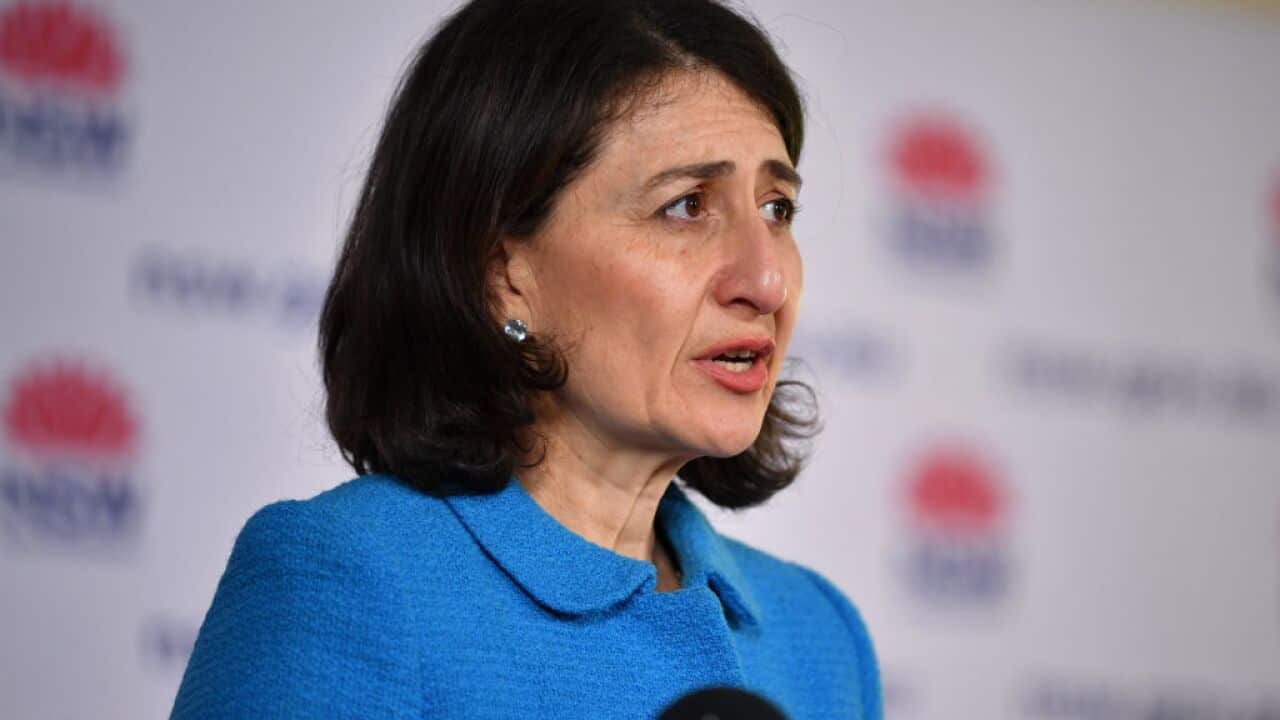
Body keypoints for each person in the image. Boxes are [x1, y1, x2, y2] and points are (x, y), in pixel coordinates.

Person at [170, 0, 881, 717]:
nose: (766, 282)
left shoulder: (819, 636)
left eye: (776, 210)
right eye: (688, 205)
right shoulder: (346, 582)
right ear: (504, 273)